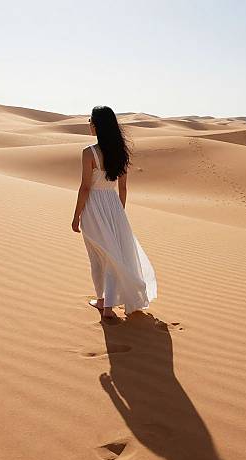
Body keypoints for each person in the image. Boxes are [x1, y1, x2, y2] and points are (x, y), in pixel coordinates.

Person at [71, 105, 157, 319]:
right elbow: (123, 188)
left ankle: (103, 302)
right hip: (114, 206)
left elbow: (85, 187)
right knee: (111, 255)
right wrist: (119, 213)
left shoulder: (89, 153)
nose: (89, 125)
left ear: (97, 125)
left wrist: (76, 216)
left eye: (90, 121)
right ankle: (107, 304)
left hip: (93, 206)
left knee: (98, 256)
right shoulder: (120, 152)